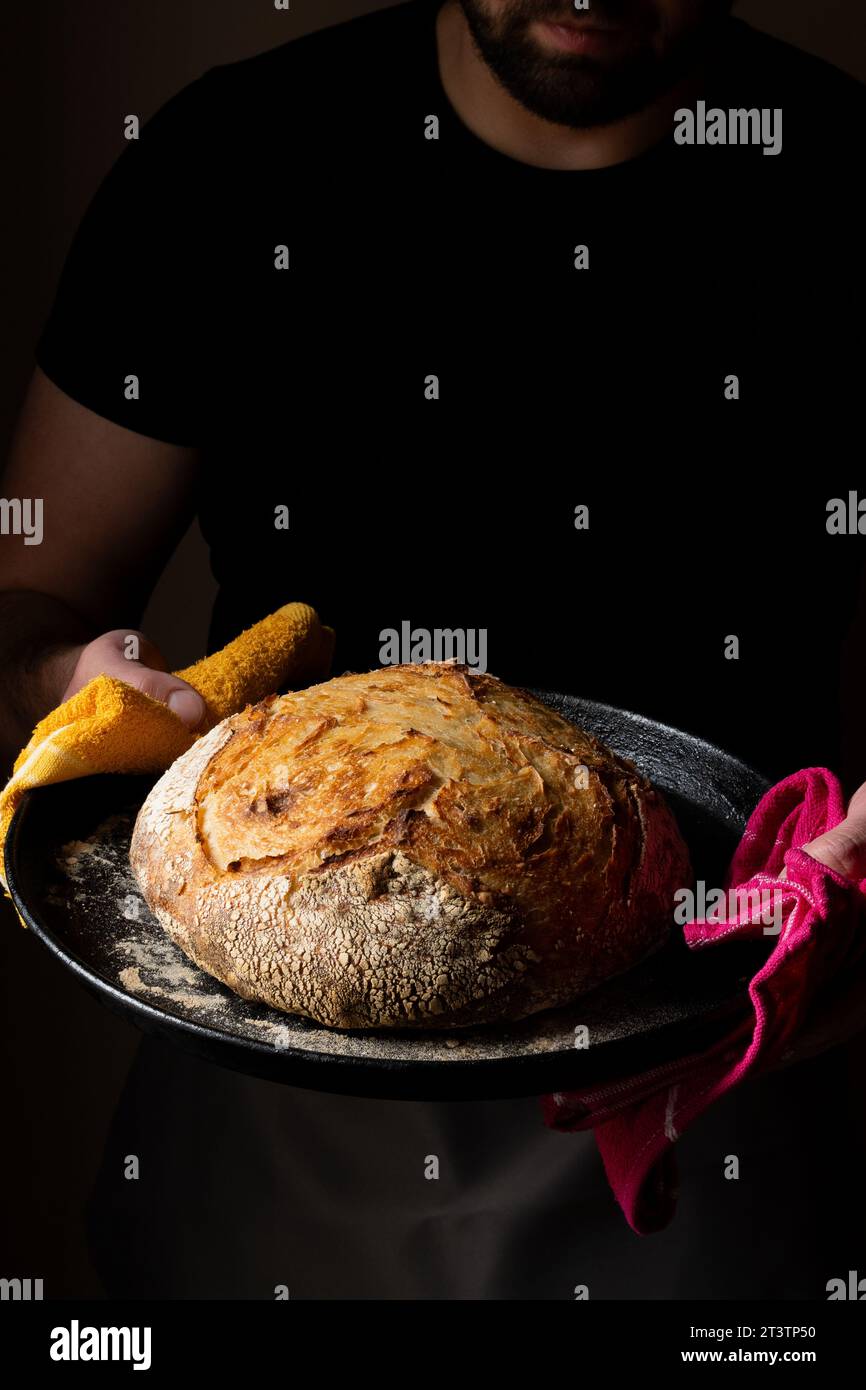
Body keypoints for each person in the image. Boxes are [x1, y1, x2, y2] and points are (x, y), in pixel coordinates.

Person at [1, 0, 865, 1298]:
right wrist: (76, 690)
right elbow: (35, 596)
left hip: (735, 1076)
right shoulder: (231, 158)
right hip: (271, 1104)